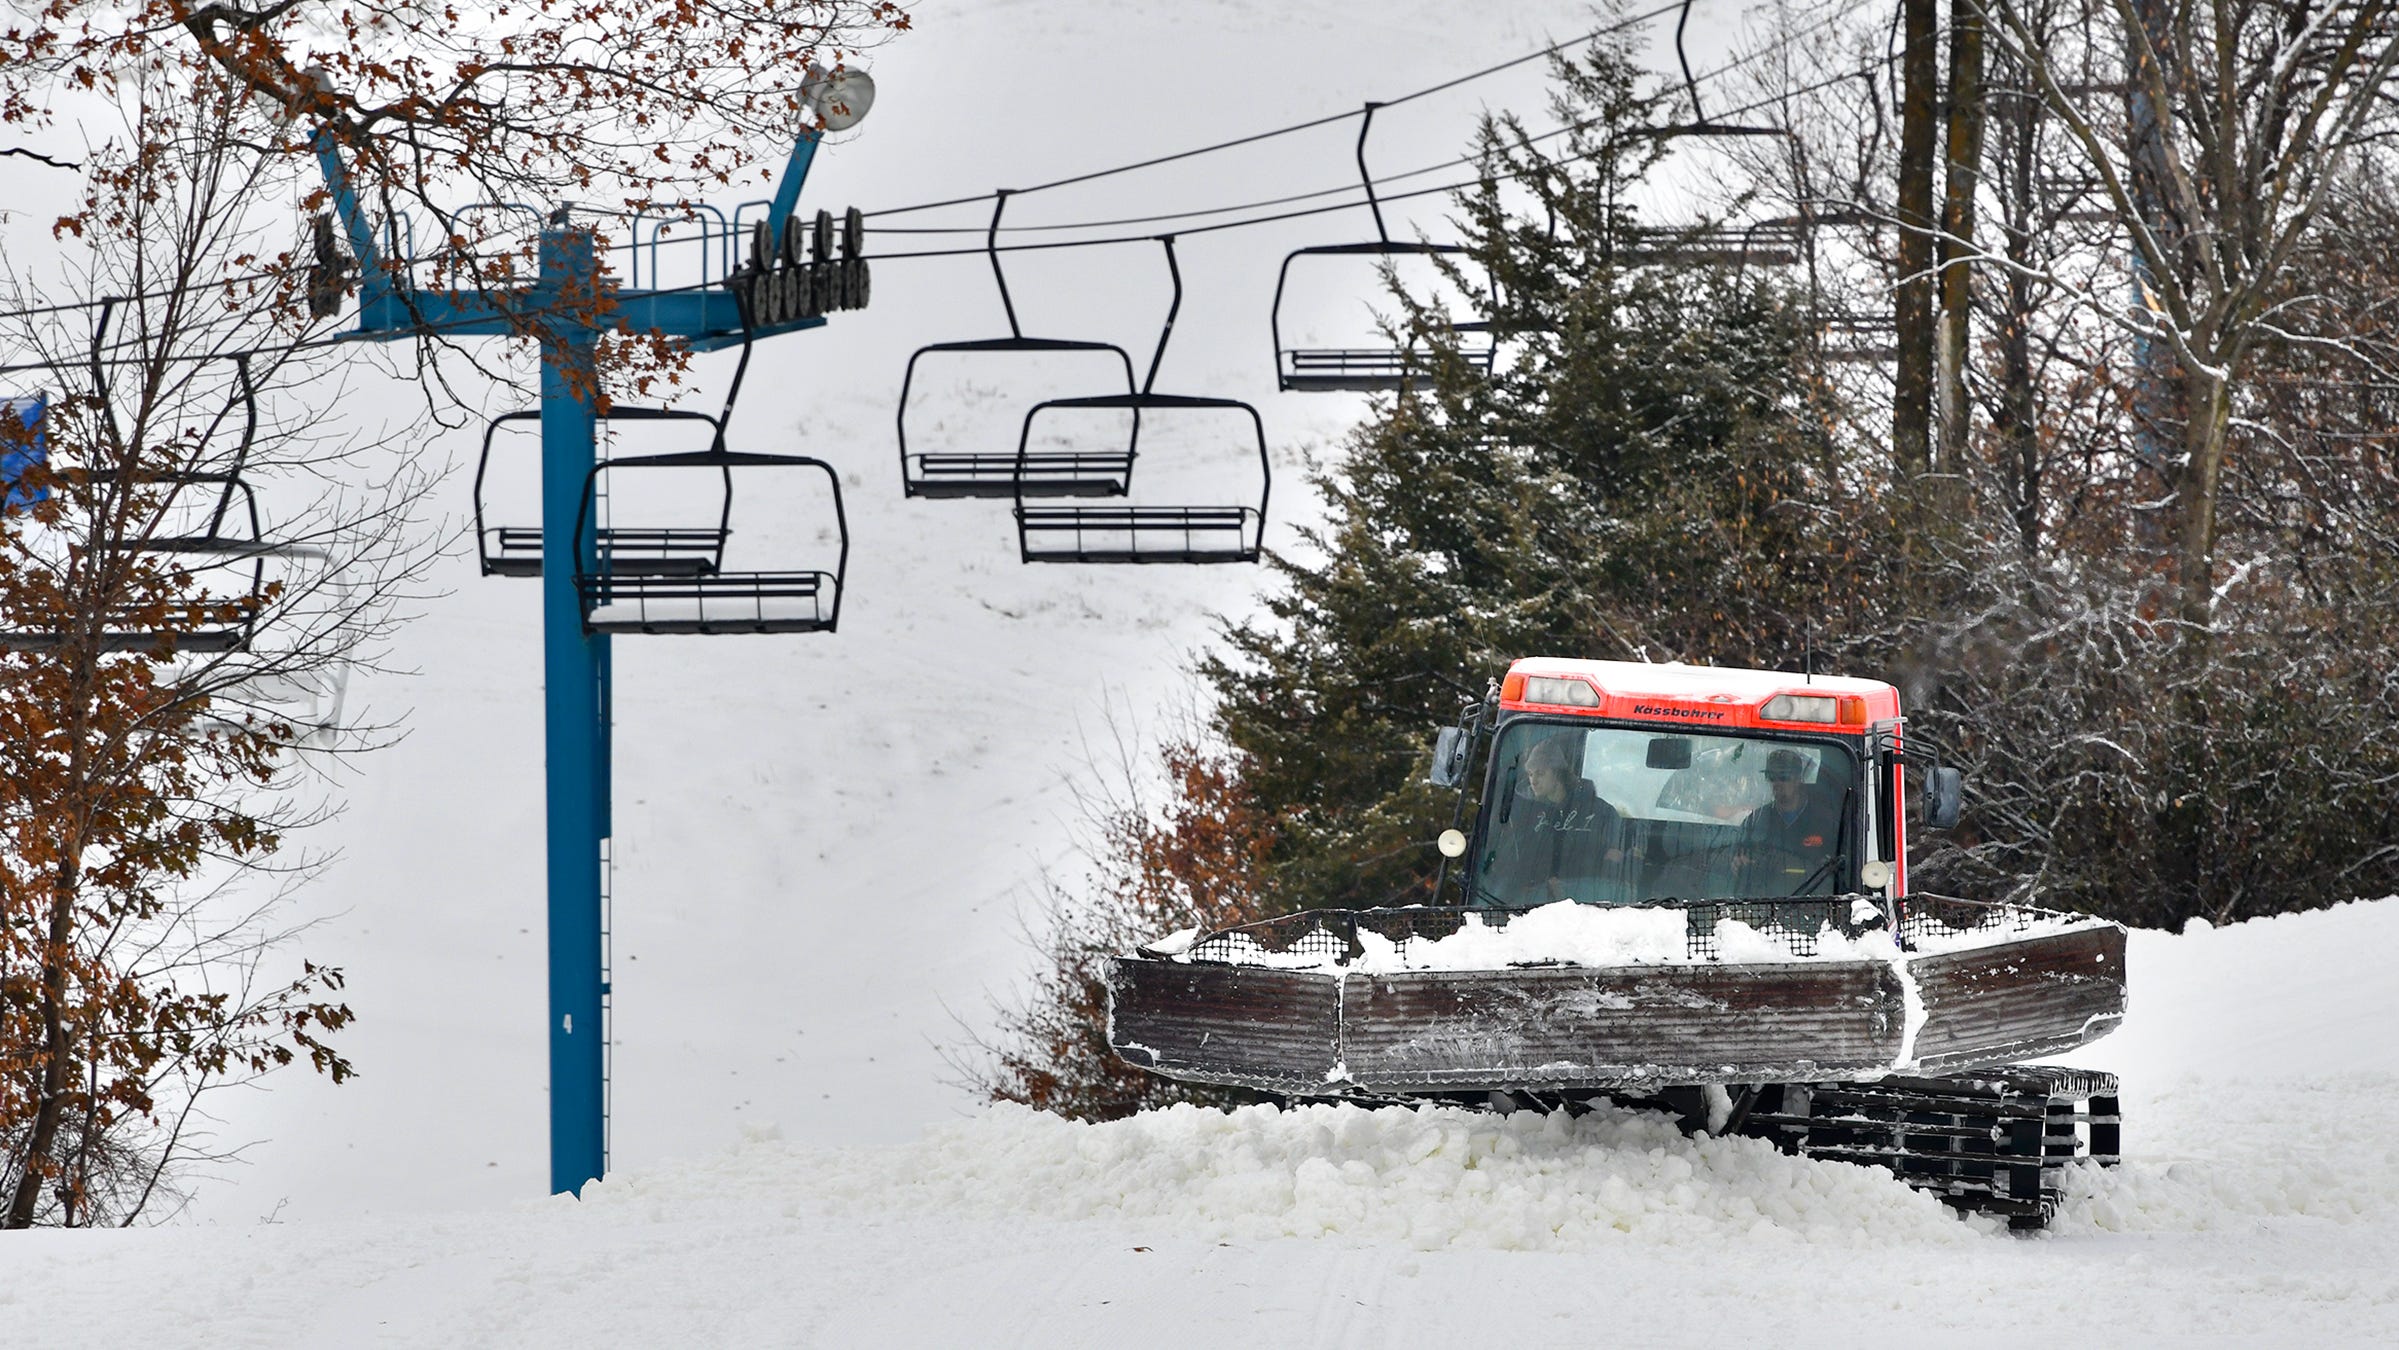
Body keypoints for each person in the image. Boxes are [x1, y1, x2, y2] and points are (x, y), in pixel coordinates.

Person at [1484, 735, 1628, 905]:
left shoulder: (1601, 812)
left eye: (1540, 773)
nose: (1533, 781)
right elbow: (1514, 859)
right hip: (1534, 903)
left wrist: (1569, 885)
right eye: (1530, 774)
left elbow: (1614, 862)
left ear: (1558, 773)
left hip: (1589, 903)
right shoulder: (1524, 813)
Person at [1735, 747, 1846, 895]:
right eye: (1771, 777)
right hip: (1765, 904)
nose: (1777, 784)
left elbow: (1842, 870)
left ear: (1799, 779)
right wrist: (1738, 865)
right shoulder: (1755, 821)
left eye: (1784, 777)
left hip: (1816, 903)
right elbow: (1738, 865)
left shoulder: (1827, 823)